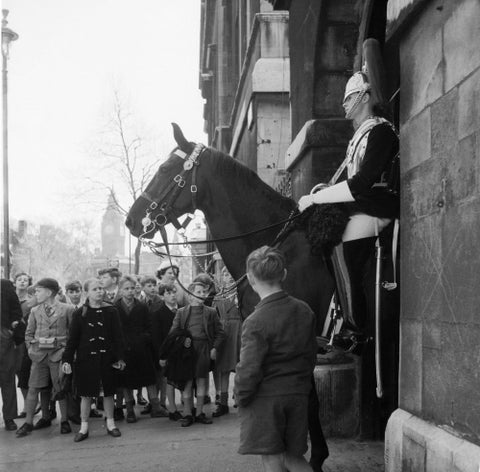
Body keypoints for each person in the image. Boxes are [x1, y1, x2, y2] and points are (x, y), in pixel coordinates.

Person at [298, 70, 399, 333]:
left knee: (339, 244)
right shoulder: (360, 135)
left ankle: (356, 328)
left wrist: (316, 198)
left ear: (364, 97)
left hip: (378, 207)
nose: (343, 104)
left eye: (349, 97)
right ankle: (338, 318)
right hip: (363, 205)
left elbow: (362, 183)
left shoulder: (381, 131)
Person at [234, 246, 317, 472]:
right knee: (294, 457)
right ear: (284, 274)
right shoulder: (304, 310)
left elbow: (248, 369)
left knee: (272, 459)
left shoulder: (255, 321)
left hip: (265, 400)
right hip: (298, 394)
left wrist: (240, 395)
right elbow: (311, 357)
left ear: (250, 279)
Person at [62, 278, 125, 442]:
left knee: (109, 393)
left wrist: (120, 357)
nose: (100, 291)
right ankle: (84, 428)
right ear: (87, 292)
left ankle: (111, 424)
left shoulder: (112, 311)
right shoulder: (79, 313)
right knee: (86, 394)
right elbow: (73, 340)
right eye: (95, 289)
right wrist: (67, 360)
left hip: (107, 359)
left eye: (101, 288)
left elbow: (118, 337)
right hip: (86, 360)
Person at [16, 278, 75, 438]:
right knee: (33, 388)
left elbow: (74, 334)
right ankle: (28, 422)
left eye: (38, 290)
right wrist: (31, 349)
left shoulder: (68, 309)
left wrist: (66, 351)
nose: (36, 294)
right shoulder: (35, 311)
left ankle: (64, 421)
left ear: (49, 292)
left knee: (60, 387)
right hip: (39, 356)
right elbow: (28, 334)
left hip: (58, 355)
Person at [167, 281, 225, 427]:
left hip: (204, 349)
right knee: (187, 382)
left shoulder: (211, 312)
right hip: (186, 351)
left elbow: (220, 333)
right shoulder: (181, 312)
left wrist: (214, 348)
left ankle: (199, 413)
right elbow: (173, 333)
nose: (202, 295)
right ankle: (187, 414)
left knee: (201, 381)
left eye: (204, 292)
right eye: (198, 292)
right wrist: (182, 341)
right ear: (190, 295)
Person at [115, 275, 167, 422]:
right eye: (126, 289)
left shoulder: (142, 307)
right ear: (120, 291)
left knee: (149, 378)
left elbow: (149, 327)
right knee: (126, 381)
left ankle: (156, 407)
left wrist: (144, 339)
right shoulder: (115, 308)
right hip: (124, 350)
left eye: (132, 288)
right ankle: (130, 409)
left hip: (141, 349)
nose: (130, 291)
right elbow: (113, 331)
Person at [212, 267, 242, 417]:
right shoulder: (218, 297)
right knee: (223, 368)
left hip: (239, 331)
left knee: (240, 366)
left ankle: (239, 396)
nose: (228, 276)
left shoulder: (242, 294)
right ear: (221, 277)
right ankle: (223, 403)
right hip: (224, 333)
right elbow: (213, 317)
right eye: (225, 274)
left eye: (230, 273)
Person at [150, 283, 178, 419]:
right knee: (164, 380)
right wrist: (161, 356)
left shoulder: (181, 311)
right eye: (168, 293)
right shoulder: (158, 314)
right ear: (162, 296)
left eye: (174, 292)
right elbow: (156, 338)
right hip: (165, 353)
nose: (172, 295)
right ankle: (162, 404)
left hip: (179, 352)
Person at [0, 279, 23, 431]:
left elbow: (16, 310)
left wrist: (10, 330)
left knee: (7, 377)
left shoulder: (4, 285)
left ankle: (9, 418)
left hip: (3, 335)